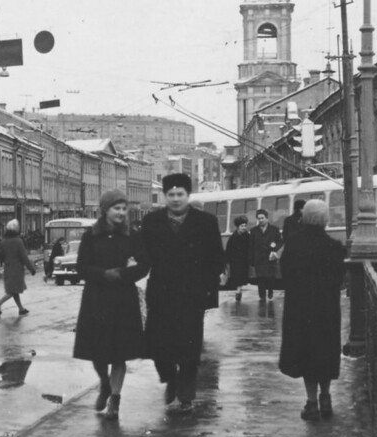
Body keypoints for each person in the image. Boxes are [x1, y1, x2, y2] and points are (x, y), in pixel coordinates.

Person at [141, 173, 224, 413]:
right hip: (161, 293)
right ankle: (170, 378)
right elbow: (142, 255)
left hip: (191, 294)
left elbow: (217, 258)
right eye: (171, 195)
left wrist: (206, 286)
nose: (176, 199)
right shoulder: (152, 222)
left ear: (188, 196)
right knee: (160, 346)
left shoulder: (205, 222)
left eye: (180, 194)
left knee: (189, 346)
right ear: (165, 197)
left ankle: (186, 394)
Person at [73, 189, 150, 420]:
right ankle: (104, 384)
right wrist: (104, 274)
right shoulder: (91, 236)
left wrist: (124, 275)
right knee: (98, 353)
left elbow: (145, 265)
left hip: (123, 300)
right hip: (96, 299)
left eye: (124, 209)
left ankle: (114, 400)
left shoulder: (133, 236)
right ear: (105, 210)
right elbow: (81, 267)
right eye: (117, 208)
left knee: (119, 354)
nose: (121, 212)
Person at [278, 199, 347, 422]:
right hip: (326, 309)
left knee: (306, 356)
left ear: (304, 217)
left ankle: (311, 403)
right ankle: (326, 397)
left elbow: (285, 276)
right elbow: (340, 280)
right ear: (326, 220)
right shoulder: (335, 247)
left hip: (300, 309)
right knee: (324, 354)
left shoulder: (293, 244)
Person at [0, 219, 37, 316]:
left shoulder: (4, 241)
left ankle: (21, 309)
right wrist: (31, 269)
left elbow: (1, 257)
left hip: (8, 268)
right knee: (14, 290)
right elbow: (24, 257)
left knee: (14, 290)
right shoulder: (18, 241)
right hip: (17, 269)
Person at [249, 208, 283, 301]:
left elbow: (280, 242)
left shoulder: (274, 230)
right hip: (259, 259)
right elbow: (251, 246)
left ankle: (270, 292)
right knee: (260, 278)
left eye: (262, 218)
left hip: (270, 258)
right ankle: (262, 296)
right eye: (258, 218)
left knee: (271, 277)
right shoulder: (253, 231)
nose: (260, 220)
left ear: (267, 218)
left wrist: (274, 248)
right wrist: (252, 260)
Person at [225, 215, 251, 302]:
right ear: (238, 227)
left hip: (244, 261)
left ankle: (239, 291)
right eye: (242, 226)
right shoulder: (233, 237)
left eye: (245, 226)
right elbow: (228, 250)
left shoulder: (247, 236)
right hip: (235, 262)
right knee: (238, 278)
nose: (244, 228)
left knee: (241, 278)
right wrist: (228, 260)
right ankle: (238, 292)